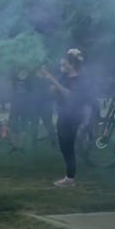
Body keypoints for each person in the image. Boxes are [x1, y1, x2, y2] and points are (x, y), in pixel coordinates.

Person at [39, 49, 88, 188]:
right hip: (64, 114)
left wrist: (53, 80)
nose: (62, 65)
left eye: (65, 62)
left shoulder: (79, 79)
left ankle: (70, 178)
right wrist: (50, 82)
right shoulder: (65, 77)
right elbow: (55, 91)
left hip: (73, 116)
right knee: (64, 146)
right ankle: (70, 176)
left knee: (68, 147)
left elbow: (70, 96)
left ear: (71, 64)